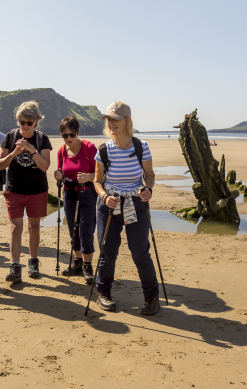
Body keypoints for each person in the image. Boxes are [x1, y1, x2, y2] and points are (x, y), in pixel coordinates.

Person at [93, 101, 160, 315]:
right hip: (110, 206)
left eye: (115, 119)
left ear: (127, 121)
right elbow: (96, 181)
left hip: (135, 204)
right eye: (109, 119)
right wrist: (104, 197)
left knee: (140, 252)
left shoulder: (141, 147)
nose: (111, 123)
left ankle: (151, 297)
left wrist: (148, 189)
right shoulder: (104, 150)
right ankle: (103, 293)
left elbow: (149, 175)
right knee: (107, 252)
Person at [0, 101, 52, 283]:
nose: (25, 126)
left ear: (36, 122)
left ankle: (33, 261)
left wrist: (32, 150)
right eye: (22, 122)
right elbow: (0, 164)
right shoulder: (10, 137)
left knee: (33, 227)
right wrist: (14, 153)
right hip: (14, 190)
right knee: (15, 228)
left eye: (29, 122)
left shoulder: (42, 138)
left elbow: (45, 167)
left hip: (37, 191)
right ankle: (14, 266)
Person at [53, 115, 97, 284]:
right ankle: (77, 263)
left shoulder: (89, 148)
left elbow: (102, 174)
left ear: (78, 132)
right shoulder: (62, 151)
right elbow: (60, 174)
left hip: (87, 194)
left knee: (86, 229)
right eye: (65, 135)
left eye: (72, 134)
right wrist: (59, 176)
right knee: (73, 230)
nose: (69, 138)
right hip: (69, 194)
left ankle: (87, 266)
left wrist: (88, 177)